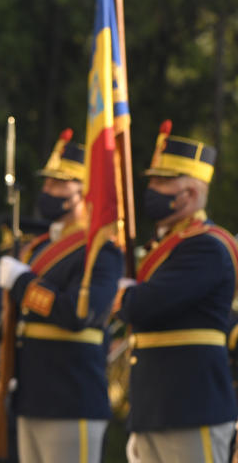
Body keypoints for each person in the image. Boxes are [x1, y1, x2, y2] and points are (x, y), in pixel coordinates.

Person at [0, 129, 121, 463]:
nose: (47, 190)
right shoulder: (37, 248)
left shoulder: (101, 251)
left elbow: (80, 314)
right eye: (47, 182)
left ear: (84, 190)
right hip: (30, 396)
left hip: (71, 396)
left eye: (58, 183)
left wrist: (23, 283)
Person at [118, 121, 238, 463]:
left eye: (164, 181)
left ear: (192, 194)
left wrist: (125, 297)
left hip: (191, 407)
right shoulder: (167, 247)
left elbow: (144, 306)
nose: (153, 189)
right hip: (153, 408)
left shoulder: (206, 246)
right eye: (153, 180)